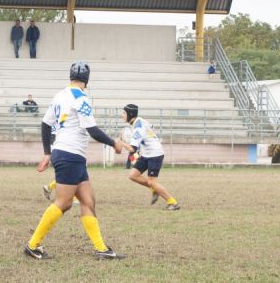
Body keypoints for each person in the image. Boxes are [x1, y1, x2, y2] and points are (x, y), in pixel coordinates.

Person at [24, 61, 124, 260]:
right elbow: (92, 130)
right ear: (87, 80)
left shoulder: (60, 95)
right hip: (70, 154)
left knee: (88, 201)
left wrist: (47, 152)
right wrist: (114, 144)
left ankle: (101, 248)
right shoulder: (82, 98)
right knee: (64, 202)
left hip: (70, 155)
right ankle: (32, 245)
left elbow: (45, 124)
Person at [118, 104, 180, 210]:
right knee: (133, 175)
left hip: (155, 154)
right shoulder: (139, 120)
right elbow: (151, 127)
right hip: (147, 154)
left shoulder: (138, 127)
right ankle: (154, 189)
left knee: (152, 181)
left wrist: (120, 142)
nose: (121, 115)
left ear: (130, 114)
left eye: (124, 113)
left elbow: (132, 149)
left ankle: (172, 202)